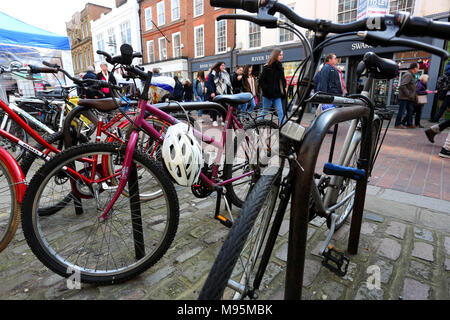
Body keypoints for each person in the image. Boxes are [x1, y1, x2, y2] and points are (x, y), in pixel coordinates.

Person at [258, 48, 287, 125]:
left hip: (277, 95)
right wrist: (267, 90)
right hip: (268, 95)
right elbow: (261, 81)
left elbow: (282, 80)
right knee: (265, 111)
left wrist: (283, 87)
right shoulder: (267, 67)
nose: (282, 56)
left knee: (280, 112)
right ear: (275, 55)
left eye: (282, 55)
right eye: (280, 55)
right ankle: (255, 124)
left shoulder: (280, 67)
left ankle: (282, 128)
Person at [206, 61, 233, 127]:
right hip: (216, 92)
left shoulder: (225, 73)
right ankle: (214, 120)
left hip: (223, 92)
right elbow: (209, 83)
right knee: (215, 107)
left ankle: (224, 120)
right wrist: (212, 92)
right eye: (222, 65)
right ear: (218, 66)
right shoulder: (213, 73)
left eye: (224, 65)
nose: (224, 67)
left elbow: (228, 83)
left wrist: (229, 92)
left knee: (224, 107)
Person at [394, 62, 419, 129]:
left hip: (409, 98)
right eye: (418, 68)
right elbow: (402, 85)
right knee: (401, 111)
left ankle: (409, 124)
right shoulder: (408, 74)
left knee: (410, 111)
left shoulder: (412, 75)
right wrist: (409, 94)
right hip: (405, 97)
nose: (418, 69)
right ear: (414, 68)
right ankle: (397, 124)